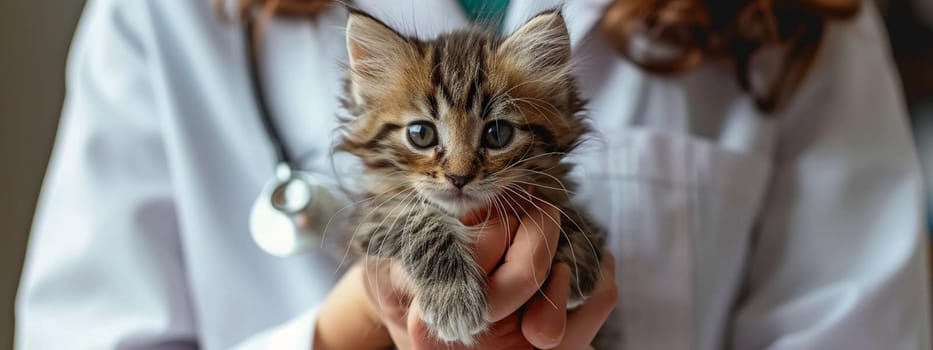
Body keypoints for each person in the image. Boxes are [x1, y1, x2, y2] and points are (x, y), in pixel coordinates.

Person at [15, 0, 931, 349]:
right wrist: (335, 337)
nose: (456, 168)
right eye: (425, 140)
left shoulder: (804, 19)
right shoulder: (159, 18)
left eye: (486, 141)